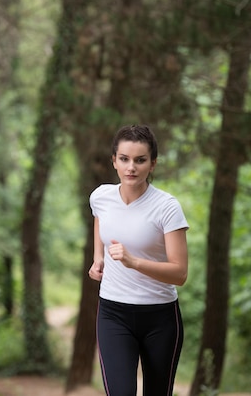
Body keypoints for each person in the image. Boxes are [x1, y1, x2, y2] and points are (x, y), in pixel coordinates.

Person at [88, 124, 189, 396]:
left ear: (152, 164)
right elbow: (100, 220)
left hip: (160, 317)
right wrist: (98, 257)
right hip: (113, 314)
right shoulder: (101, 197)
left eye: (140, 160)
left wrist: (134, 262)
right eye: (124, 159)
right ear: (114, 161)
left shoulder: (167, 207)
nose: (131, 167)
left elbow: (179, 273)